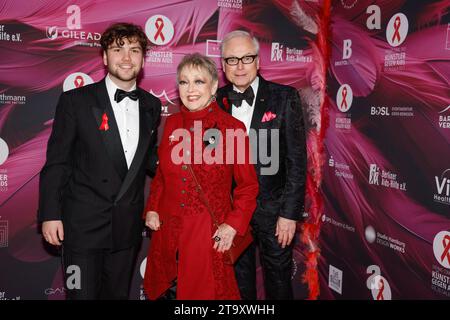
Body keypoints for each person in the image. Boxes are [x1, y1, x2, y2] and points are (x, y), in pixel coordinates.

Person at [37, 22, 161, 300]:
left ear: (143, 59)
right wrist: (50, 214)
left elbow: (150, 160)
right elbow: (58, 162)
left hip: (126, 229)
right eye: (118, 50)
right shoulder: (75, 101)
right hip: (81, 227)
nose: (127, 58)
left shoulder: (152, 106)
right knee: (80, 296)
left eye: (134, 50)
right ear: (105, 57)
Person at [143, 53, 258, 300]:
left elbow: (248, 187)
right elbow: (162, 174)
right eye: (184, 82)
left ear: (214, 86)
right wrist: (152, 208)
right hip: (167, 231)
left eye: (199, 81)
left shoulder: (232, 128)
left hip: (206, 234)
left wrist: (233, 225)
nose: (190, 89)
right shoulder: (171, 123)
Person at [216, 30, 307, 300]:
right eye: (232, 60)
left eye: (247, 58)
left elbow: (297, 161)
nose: (240, 66)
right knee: (237, 285)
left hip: (275, 211)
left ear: (258, 61)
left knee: (279, 284)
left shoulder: (285, 97)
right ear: (222, 65)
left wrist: (290, 214)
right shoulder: (214, 100)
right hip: (230, 213)